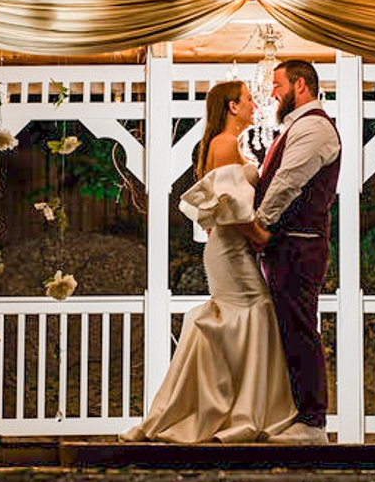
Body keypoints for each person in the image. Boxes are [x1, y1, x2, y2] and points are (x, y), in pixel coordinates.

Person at [120, 80, 298, 443]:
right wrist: (261, 237)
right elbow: (232, 204)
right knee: (257, 312)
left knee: (237, 320)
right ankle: (243, 413)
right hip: (232, 248)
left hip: (226, 247)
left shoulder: (220, 144)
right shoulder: (224, 144)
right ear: (232, 107)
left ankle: (224, 407)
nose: (255, 105)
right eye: (249, 100)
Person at [249, 60, 341, 445]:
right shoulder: (297, 127)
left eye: (277, 84)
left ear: (300, 85)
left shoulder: (316, 128)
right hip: (290, 245)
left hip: (299, 244)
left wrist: (261, 224)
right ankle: (294, 414)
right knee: (289, 328)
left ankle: (312, 422)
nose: (272, 92)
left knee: (301, 328)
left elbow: (289, 182)